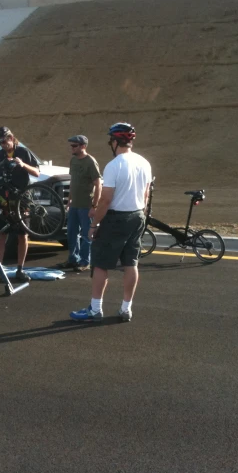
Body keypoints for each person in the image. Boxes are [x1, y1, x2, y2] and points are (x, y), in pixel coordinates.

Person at [69, 123, 151, 323]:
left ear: (115, 142)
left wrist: (94, 225)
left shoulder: (114, 165)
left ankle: (95, 309)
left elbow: (105, 200)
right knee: (131, 263)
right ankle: (126, 308)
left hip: (116, 218)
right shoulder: (144, 163)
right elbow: (146, 194)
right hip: (137, 215)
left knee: (100, 264)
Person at [0, 126, 39, 282]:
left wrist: (23, 165)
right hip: (4, 199)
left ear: (11, 138)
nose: (3, 144)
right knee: (1, 234)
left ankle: (20, 270)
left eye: (4, 141)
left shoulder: (23, 152)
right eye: (0, 143)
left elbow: (36, 172)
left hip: (22, 199)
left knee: (22, 235)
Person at [55, 135, 102, 273]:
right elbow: (73, 182)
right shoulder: (73, 160)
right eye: (71, 145)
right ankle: (72, 259)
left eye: (74, 146)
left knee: (86, 235)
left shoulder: (91, 162)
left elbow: (98, 185)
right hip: (74, 204)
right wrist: (69, 200)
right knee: (71, 233)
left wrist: (94, 206)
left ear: (83, 146)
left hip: (86, 205)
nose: (72, 148)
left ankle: (85, 261)